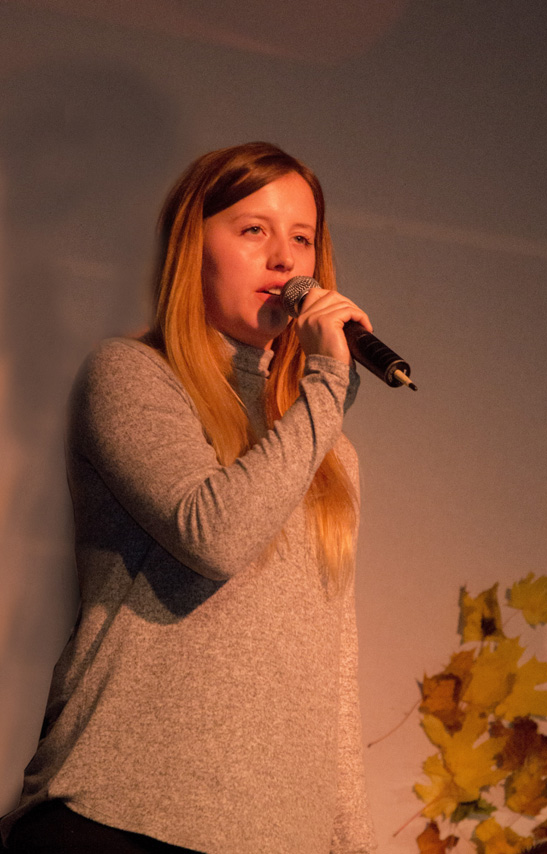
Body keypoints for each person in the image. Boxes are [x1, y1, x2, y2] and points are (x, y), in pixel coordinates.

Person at [1, 142, 377, 853]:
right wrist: (327, 386)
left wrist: (350, 841)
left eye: (302, 239)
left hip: (276, 837)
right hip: (122, 816)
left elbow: (331, 663)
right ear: (192, 247)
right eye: (253, 230)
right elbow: (213, 534)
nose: (284, 260)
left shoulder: (326, 449)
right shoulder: (133, 376)